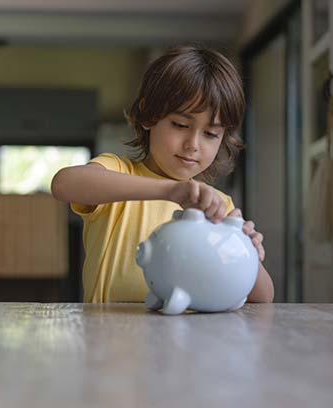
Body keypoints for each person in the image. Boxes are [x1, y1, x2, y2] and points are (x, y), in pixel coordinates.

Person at [51, 45, 274, 304]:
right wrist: (169, 190)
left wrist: (246, 249)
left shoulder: (218, 206)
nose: (193, 144)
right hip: (109, 338)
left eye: (211, 134)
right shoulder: (118, 172)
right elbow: (63, 184)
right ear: (148, 116)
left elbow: (263, 297)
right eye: (180, 125)